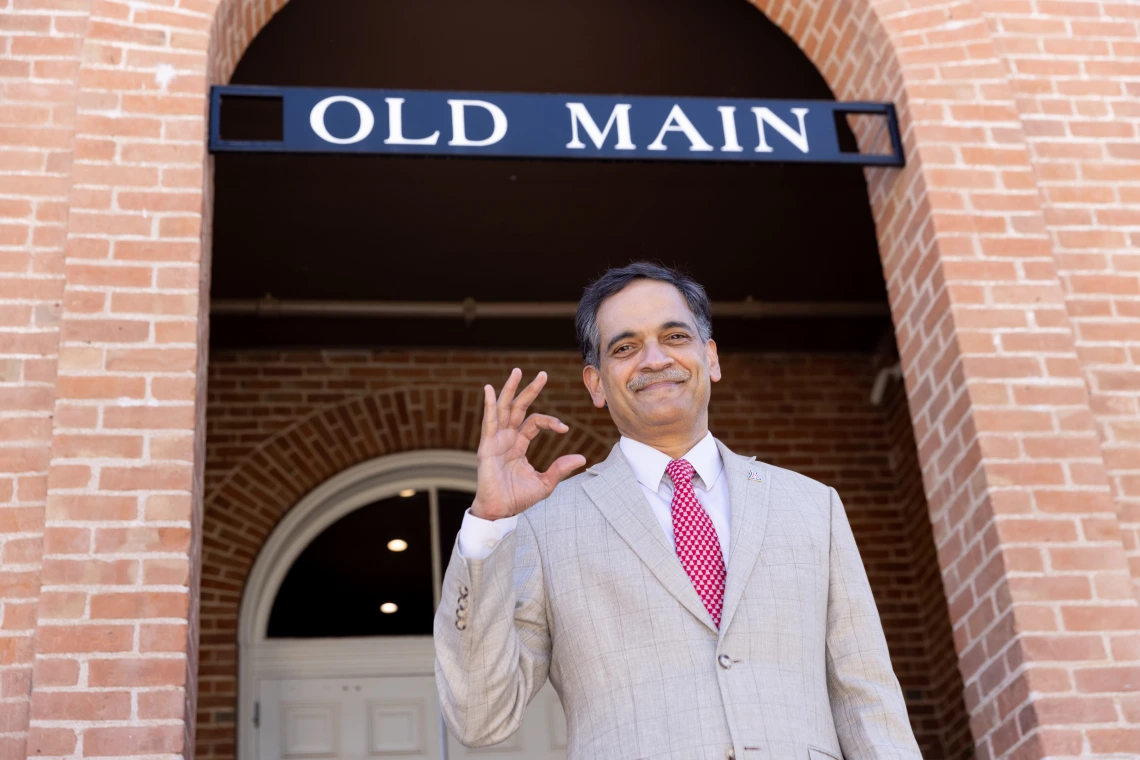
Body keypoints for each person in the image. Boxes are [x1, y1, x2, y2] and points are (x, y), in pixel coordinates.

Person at [433, 262, 922, 760]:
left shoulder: (813, 506)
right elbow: (480, 716)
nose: (653, 359)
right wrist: (489, 522)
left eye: (674, 336)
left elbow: (868, 700)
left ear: (709, 357)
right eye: (624, 348)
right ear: (596, 384)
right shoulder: (546, 525)